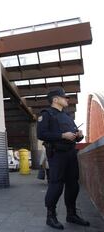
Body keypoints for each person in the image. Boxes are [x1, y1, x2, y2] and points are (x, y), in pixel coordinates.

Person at [37, 88, 90, 230]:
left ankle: (71, 214)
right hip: (57, 154)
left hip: (71, 153)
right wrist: (62, 136)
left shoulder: (67, 116)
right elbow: (41, 134)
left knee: (73, 184)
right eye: (64, 97)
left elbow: (74, 134)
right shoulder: (46, 114)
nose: (67, 99)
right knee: (56, 185)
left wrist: (79, 135)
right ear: (55, 99)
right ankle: (51, 216)